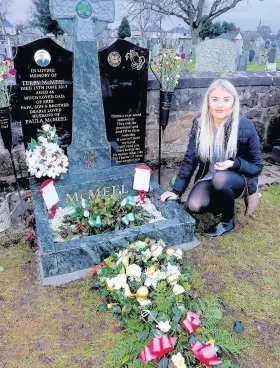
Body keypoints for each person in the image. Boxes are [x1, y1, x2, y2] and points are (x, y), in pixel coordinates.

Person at [160, 79, 263, 237]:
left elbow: (257, 167)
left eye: (226, 100)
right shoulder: (201, 124)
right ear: (208, 101)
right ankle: (221, 202)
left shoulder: (245, 126)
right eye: (215, 99)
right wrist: (177, 191)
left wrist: (234, 163)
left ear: (233, 103)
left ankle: (227, 221)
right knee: (194, 205)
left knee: (220, 179)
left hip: (239, 178)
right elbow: (190, 160)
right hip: (210, 177)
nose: (220, 105)